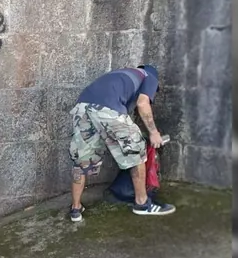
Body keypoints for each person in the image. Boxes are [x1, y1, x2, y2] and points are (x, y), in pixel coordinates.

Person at [68, 65, 176, 221]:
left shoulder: (121, 75)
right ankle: (142, 204)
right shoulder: (149, 76)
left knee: (82, 159)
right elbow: (142, 103)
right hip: (108, 109)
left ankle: (75, 208)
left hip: (82, 107)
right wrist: (154, 133)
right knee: (136, 150)